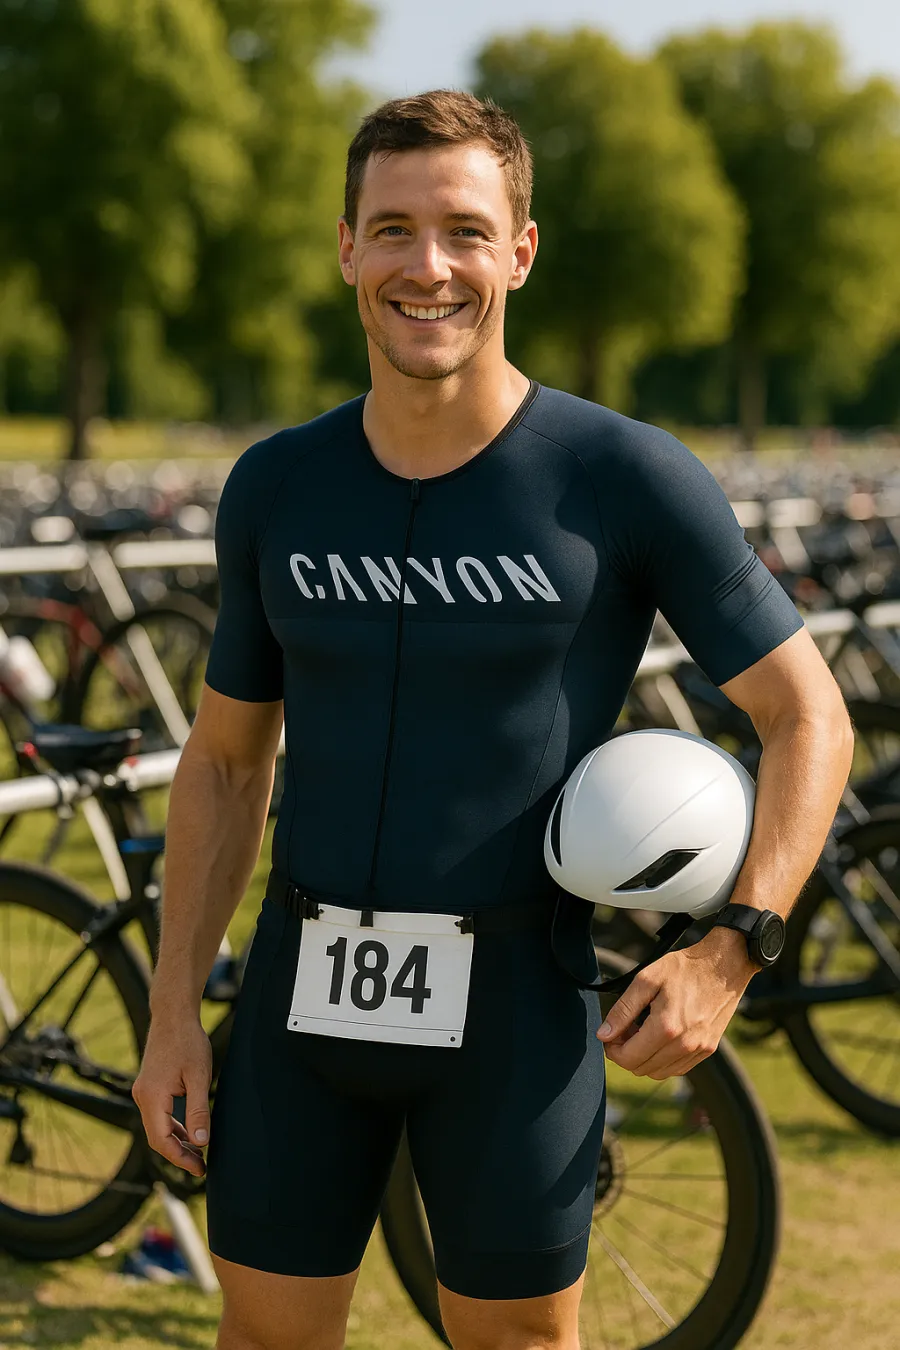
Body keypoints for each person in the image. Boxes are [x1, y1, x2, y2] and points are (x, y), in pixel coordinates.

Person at [132, 90, 854, 1350]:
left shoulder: (620, 475)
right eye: (394, 228)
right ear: (345, 246)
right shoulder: (278, 486)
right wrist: (172, 1014)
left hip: (519, 1005)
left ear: (520, 250)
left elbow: (810, 717)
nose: (429, 266)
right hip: (302, 998)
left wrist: (735, 947)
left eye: (465, 230)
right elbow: (228, 765)